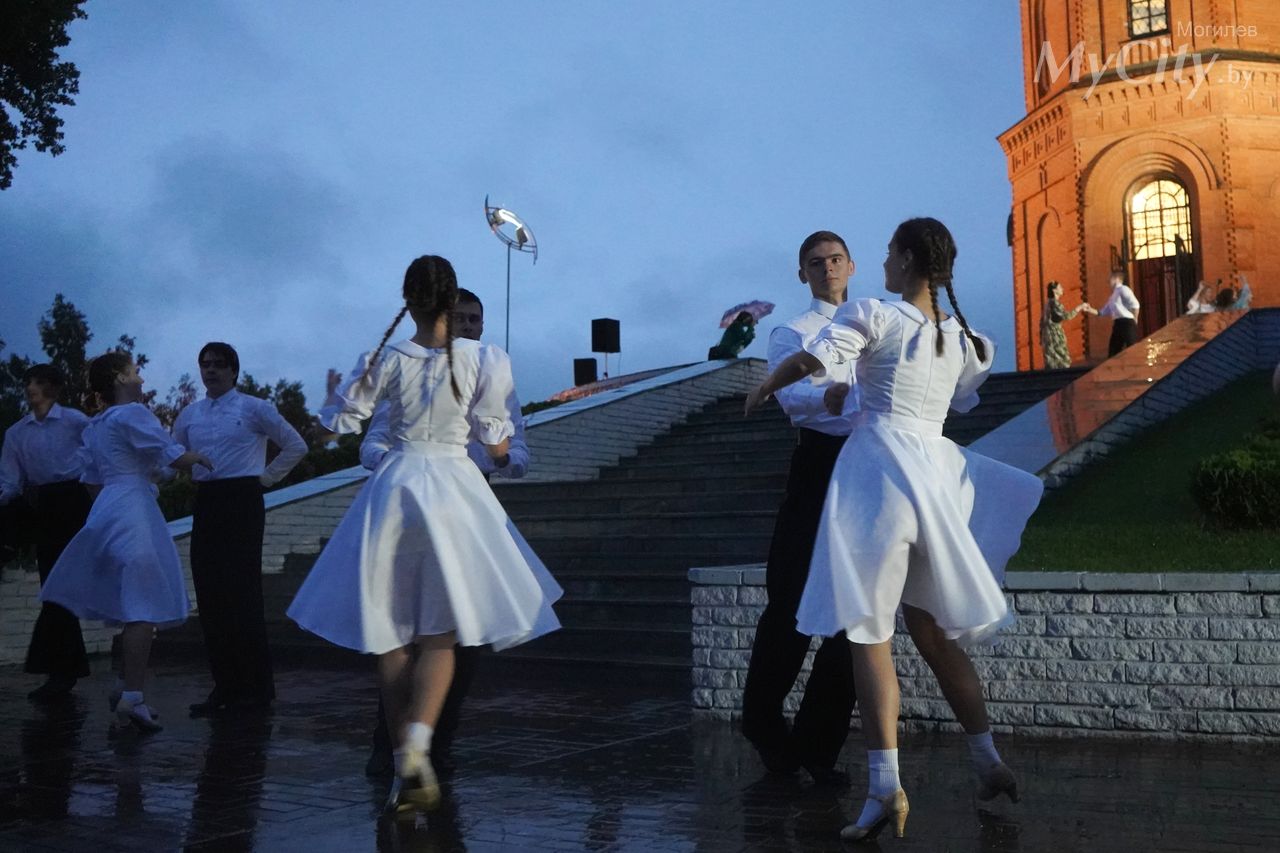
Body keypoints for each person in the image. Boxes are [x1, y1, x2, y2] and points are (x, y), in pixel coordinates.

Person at [745, 218, 1043, 843]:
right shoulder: (963, 339)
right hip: (934, 481)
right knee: (932, 634)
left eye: (887, 253)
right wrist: (843, 399)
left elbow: (813, 361)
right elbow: (938, 394)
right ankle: (987, 759)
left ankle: (885, 788)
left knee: (868, 633)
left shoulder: (873, 314)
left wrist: (767, 384)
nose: (880, 261)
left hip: (878, 478)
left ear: (905, 260)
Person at [287, 255, 561, 817]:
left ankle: (400, 761)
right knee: (440, 636)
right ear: (450, 301)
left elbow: (339, 426)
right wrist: (502, 455)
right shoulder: (485, 359)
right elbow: (498, 443)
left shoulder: (384, 358)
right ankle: (418, 745)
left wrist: (332, 398)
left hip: (395, 489)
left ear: (408, 300)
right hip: (455, 489)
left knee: (390, 638)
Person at [359, 287, 530, 778]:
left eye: (476, 319)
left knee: (461, 636)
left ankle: (438, 743)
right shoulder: (411, 369)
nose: (469, 327)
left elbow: (517, 451)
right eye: (461, 319)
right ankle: (390, 745)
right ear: (443, 321)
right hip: (409, 511)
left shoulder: (492, 376)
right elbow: (372, 441)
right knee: (402, 631)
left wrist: (487, 460)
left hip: (466, 513)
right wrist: (403, 462)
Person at [39, 352, 213, 732]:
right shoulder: (133, 413)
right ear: (119, 378)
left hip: (110, 507)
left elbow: (91, 480)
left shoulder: (97, 426)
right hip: (134, 510)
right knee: (142, 606)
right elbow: (173, 456)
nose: (141, 378)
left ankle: (125, 684)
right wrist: (197, 457)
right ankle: (132, 696)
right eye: (135, 372)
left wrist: (113, 504)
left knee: (133, 600)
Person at [740, 231, 858, 786]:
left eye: (834, 259)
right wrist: (828, 396)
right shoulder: (792, 332)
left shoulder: (877, 321)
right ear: (802, 273)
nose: (826, 268)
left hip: (870, 467)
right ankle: (762, 723)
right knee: (789, 600)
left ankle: (819, 747)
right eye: (815, 262)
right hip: (818, 463)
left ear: (851, 265)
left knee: (856, 613)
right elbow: (790, 398)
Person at [173, 342, 308, 717]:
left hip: (243, 500)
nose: (211, 370)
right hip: (207, 501)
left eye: (219, 364)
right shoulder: (189, 414)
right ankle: (225, 686)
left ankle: (256, 689)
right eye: (205, 364)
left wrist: (265, 479)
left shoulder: (254, 407)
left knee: (242, 593)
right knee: (210, 593)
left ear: (234, 370)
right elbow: (171, 456)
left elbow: (295, 445)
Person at [0, 365, 93, 701]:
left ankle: (61, 670)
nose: (31, 388)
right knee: (53, 586)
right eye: (28, 382)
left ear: (54, 388)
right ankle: (62, 670)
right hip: (43, 506)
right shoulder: (16, 433)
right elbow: (10, 481)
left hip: (75, 501)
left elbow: (97, 456)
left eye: (39, 382)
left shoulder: (75, 421)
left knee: (63, 585)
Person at [1039, 281, 1095, 369]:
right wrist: (1080, 307)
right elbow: (1067, 316)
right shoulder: (1055, 304)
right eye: (1060, 287)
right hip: (1054, 337)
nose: (1062, 289)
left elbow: (1042, 322)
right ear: (1054, 290)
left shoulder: (1048, 303)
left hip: (1048, 337)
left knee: (1052, 363)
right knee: (1062, 361)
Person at [1099, 272, 1141, 355]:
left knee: (1132, 348)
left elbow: (1135, 304)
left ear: (1117, 279)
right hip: (1118, 324)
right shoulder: (1113, 296)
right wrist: (1089, 309)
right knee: (1113, 352)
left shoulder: (1123, 289)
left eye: (1111, 278)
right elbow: (1102, 312)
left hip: (1127, 322)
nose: (1109, 281)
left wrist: (1135, 319)